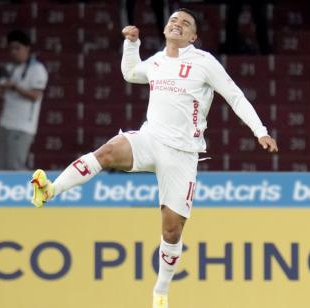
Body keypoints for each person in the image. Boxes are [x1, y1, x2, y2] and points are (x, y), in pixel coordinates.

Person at [30, 8, 278, 308]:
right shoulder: (158, 61)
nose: (178, 25)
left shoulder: (204, 62)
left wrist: (260, 131)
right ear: (165, 29)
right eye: (174, 20)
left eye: (186, 24)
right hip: (150, 139)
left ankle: (161, 290)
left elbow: (235, 95)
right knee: (107, 152)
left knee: (172, 230)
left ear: (193, 36)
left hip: (183, 154)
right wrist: (131, 44)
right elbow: (131, 73)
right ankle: (50, 189)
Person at [0, 30, 48, 170]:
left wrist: (14, 86)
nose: (14, 52)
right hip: (5, 123)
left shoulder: (37, 69)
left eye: (17, 48)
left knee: (15, 166)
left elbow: (36, 96)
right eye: (11, 48)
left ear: (27, 48)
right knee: (3, 166)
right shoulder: (9, 68)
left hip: (23, 126)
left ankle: (27, 190)